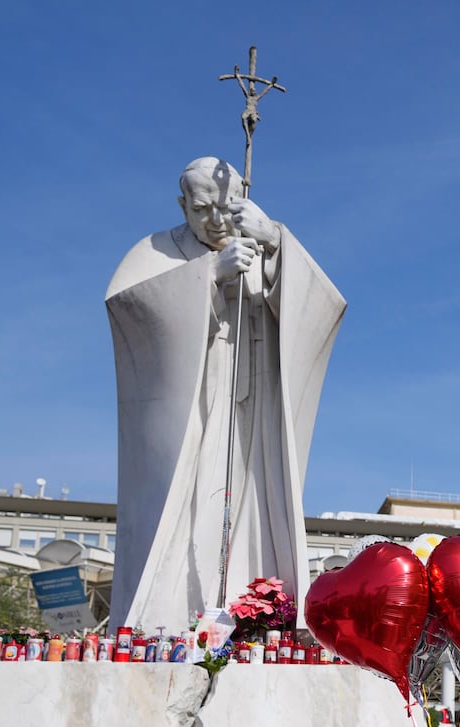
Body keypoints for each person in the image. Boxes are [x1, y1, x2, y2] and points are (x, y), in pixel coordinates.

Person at [106, 158, 345, 627]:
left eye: (226, 206)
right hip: (192, 410)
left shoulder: (263, 240)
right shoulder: (155, 251)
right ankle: (171, 617)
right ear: (182, 206)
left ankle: (261, 611)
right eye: (201, 209)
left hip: (257, 410)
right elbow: (128, 306)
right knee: (190, 504)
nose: (216, 220)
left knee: (257, 498)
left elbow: (325, 306)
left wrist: (276, 242)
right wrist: (208, 275)